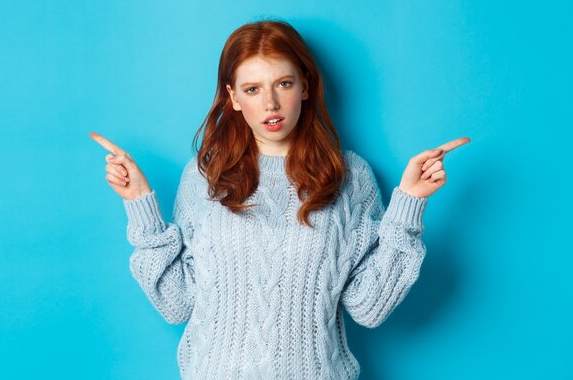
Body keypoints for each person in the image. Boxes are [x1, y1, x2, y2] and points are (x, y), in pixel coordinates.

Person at [90, 19, 470, 380]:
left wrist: (409, 205)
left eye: (283, 83)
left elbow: (369, 307)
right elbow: (177, 303)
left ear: (305, 86)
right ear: (233, 97)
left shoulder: (349, 176)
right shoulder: (205, 175)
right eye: (253, 89)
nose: (270, 103)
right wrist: (140, 204)